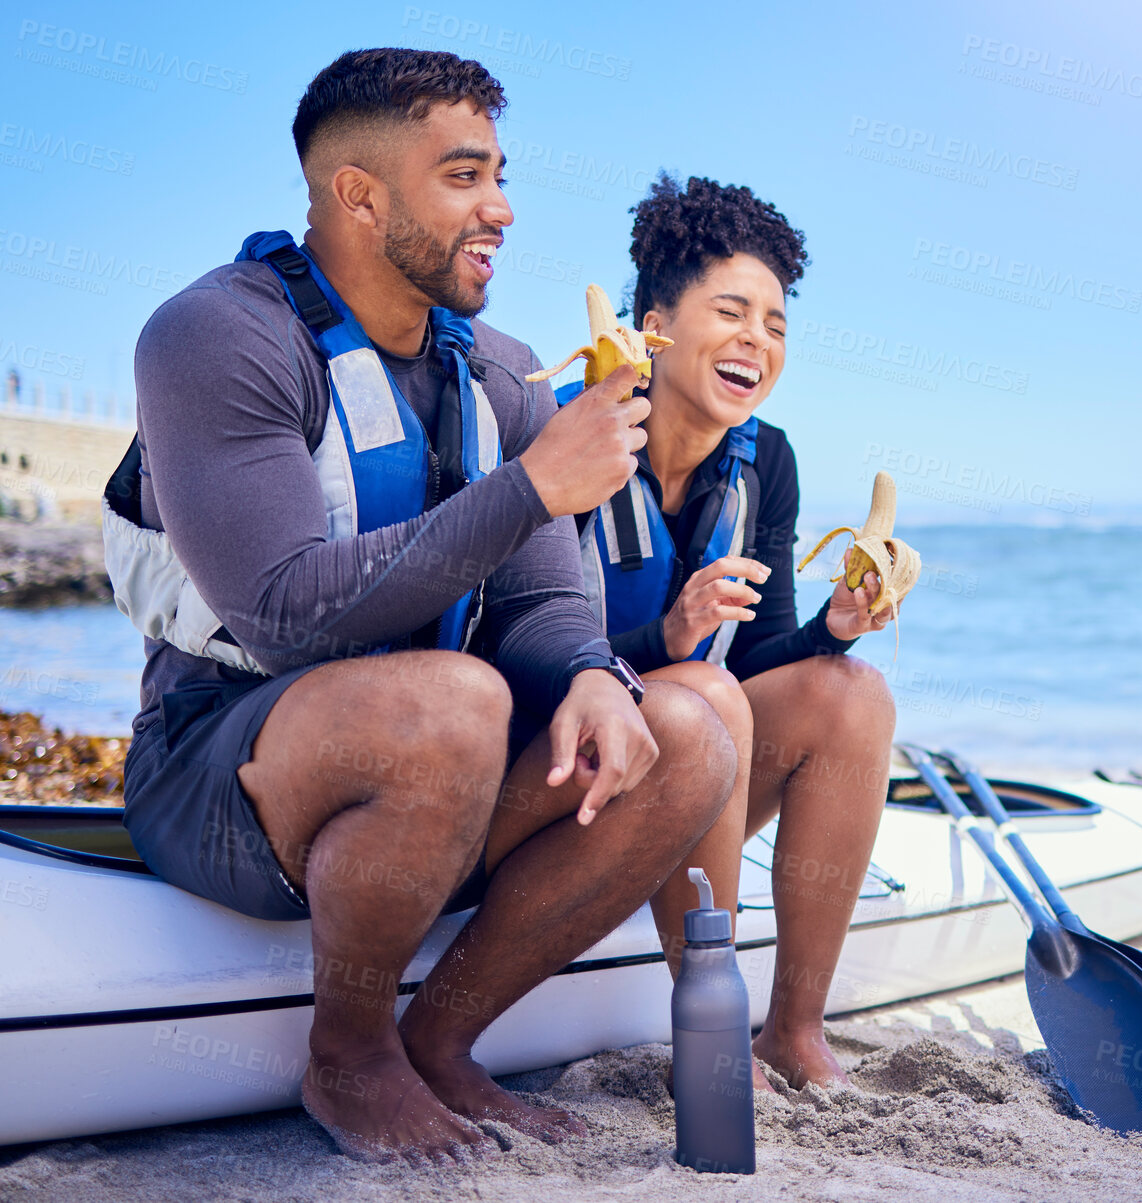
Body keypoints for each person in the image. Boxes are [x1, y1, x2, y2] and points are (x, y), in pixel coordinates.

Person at [104, 49, 737, 1163]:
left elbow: (543, 603)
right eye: (461, 176)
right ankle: (346, 1059)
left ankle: (438, 1044)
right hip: (219, 766)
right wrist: (536, 484)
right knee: (451, 699)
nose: (500, 209)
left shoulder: (504, 372)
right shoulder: (218, 337)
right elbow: (281, 613)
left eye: (499, 174)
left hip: (439, 765)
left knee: (681, 724)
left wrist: (593, 673)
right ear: (358, 193)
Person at [565, 175, 897, 1089]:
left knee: (850, 691)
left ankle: (792, 1030)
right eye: (732, 311)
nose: (759, 338)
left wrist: (834, 628)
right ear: (655, 320)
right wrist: (664, 638)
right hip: (563, 786)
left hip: (691, 778)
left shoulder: (768, 463)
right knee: (697, 687)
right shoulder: (572, 437)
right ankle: (706, 1022)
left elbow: (761, 661)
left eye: (777, 324)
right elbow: (516, 650)